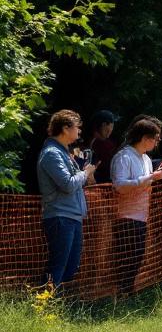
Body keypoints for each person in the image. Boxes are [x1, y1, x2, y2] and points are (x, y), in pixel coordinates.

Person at [37, 110, 98, 293]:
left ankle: (54, 306)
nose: (79, 131)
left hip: (72, 216)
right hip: (60, 216)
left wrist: (84, 174)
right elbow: (68, 185)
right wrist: (85, 173)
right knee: (58, 266)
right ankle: (45, 308)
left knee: (70, 267)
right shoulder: (51, 154)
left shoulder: (63, 153)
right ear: (65, 128)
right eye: (77, 127)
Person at [110, 116, 162, 296]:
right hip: (125, 216)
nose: (157, 142)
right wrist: (152, 177)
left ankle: (127, 294)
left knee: (137, 258)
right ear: (145, 138)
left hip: (141, 215)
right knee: (126, 258)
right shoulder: (124, 156)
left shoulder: (145, 158)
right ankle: (120, 295)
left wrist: (158, 174)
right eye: (156, 138)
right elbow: (120, 186)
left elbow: (145, 183)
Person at [88, 109, 120, 184]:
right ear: (104, 125)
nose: (109, 134)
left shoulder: (105, 143)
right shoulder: (97, 144)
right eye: (108, 130)